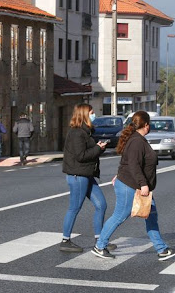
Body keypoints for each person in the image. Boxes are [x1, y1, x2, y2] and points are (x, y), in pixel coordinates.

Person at [92, 110, 175, 261]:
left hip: (135, 184)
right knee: (119, 216)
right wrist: (143, 184)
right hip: (131, 186)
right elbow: (133, 164)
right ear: (146, 125)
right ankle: (100, 246)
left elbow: (127, 162)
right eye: (150, 125)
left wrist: (120, 174)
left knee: (151, 216)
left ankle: (162, 249)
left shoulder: (137, 139)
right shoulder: (137, 141)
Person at [59, 103, 117, 253]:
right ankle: (65, 240)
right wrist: (98, 148)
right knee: (74, 208)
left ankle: (100, 240)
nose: (94, 115)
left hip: (87, 174)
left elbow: (87, 152)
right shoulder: (77, 133)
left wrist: (98, 147)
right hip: (78, 176)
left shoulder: (86, 131)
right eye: (92, 112)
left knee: (101, 205)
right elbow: (81, 156)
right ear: (84, 114)